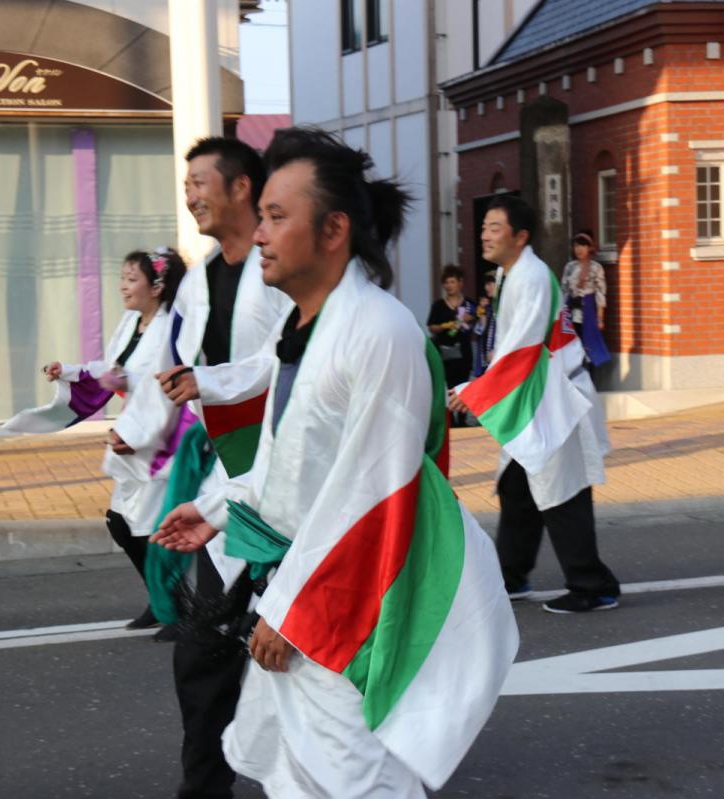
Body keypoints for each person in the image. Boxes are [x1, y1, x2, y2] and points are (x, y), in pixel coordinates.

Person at [152, 127, 517, 797]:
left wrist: (293, 611)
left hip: (344, 609)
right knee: (299, 774)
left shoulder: (379, 331)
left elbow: (375, 494)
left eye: (277, 216)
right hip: (303, 592)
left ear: (333, 230)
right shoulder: (304, 328)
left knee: (356, 777)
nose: (260, 234)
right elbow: (287, 460)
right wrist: (214, 509)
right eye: (261, 215)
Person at [108, 137, 290, 799]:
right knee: (204, 644)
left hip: (295, 482)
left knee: (310, 652)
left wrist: (208, 383)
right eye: (186, 186)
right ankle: (204, 786)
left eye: (200, 182)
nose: (190, 196)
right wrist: (142, 431)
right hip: (235, 481)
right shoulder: (203, 278)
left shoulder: (282, 268)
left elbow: (289, 363)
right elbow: (167, 364)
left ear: (242, 187)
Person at [449, 194, 621, 615]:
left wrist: (475, 389)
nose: (485, 235)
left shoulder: (530, 277)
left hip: (554, 394)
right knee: (518, 485)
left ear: (520, 236)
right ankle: (512, 575)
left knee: (562, 493)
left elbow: (520, 349)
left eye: (494, 227)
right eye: (484, 226)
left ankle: (593, 584)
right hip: (541, 392)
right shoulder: (514, 274)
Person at [0, 247, 186, 631]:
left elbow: (162, 389)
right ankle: (161, 599)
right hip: (134, 434)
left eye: (131, 279)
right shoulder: (134, 323)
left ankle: (179, 609)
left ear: (158, 285)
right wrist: (70, 370)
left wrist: (135, 434)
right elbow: (115, 371)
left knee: (155, 529)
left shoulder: (172, 330)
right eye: (123, 277)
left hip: (160, 439)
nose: (122, 286)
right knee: (120, 522)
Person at [426, 265, 477, 418]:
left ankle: (462, 418)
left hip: (464, 352)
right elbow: (431, 326)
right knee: (447, 385)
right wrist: (444, 326)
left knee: (463, 386)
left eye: (452, 282)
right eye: (446, 282)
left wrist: (472, 318)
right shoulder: (438, 305)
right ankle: (450, 420)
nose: (449, 286)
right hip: (445, 352)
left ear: (460, 283)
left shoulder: (469, 304)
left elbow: (480, 323)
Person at [561, 230, 611, 373]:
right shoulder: (569, 267)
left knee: (589, 345)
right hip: (571, 310)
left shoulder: (596, 268)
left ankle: (589, 376)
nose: (579, 249)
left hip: (588, 310)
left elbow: (601, 293)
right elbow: (564, 290)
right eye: (576, 246)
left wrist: (600, 318)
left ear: (590, 247)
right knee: (572, 345)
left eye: (583, 245)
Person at [472, 270, 498, 378]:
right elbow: (479, 331)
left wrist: (497, 350)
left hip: (499, 356)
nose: (486, 288)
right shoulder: (488, 308)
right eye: (485, 284)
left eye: (489, 284)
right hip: (485, 359)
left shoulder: (503, 306)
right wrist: (482, 315)